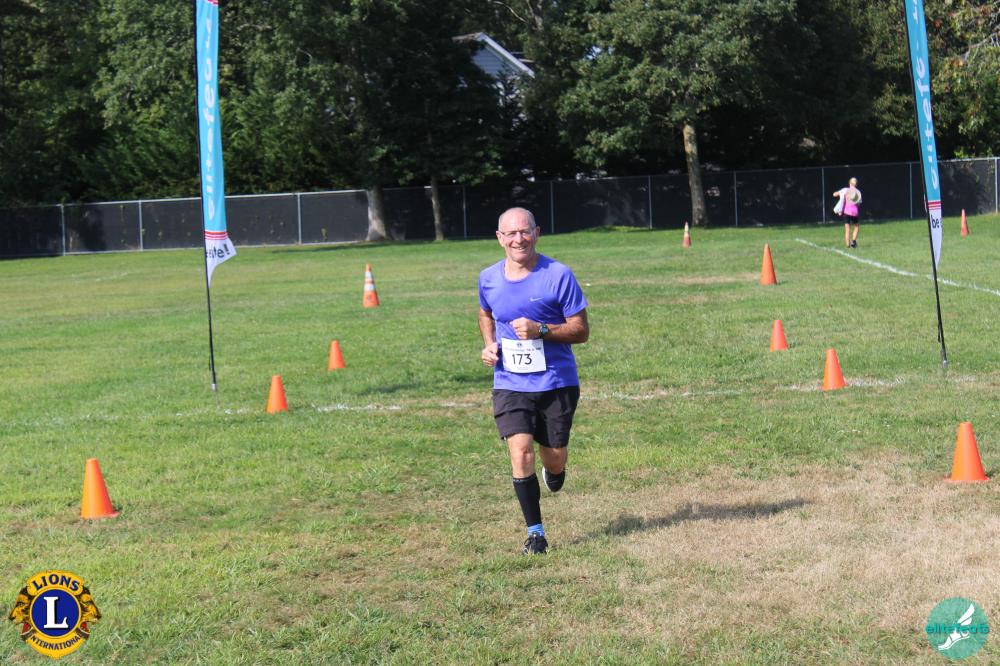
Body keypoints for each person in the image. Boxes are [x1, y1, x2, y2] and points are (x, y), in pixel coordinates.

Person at [478, 207, 590, 555]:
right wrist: (489, 344)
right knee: (521, 451)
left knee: (553, 457)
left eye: (524, 232)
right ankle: (536, 534)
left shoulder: (558, 275)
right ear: (500, 238)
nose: (518, 239)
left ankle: (555, 471)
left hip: (556, 381)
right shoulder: (488, 278)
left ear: (536, 233)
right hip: (510, 381)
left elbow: (581, 331)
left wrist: (541, 330)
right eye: (511, 234)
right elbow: (485, 312)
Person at [834, 177, 863, 248]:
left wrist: (839, 194)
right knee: (856, 226)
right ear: (856, 184)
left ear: (849, 183)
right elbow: (859, 203)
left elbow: (834, 194)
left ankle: (847, 245)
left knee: (847, 229)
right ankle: (853, 241)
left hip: (846, 212)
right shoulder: (858, 192)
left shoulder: (845, 190)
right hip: (855, 212)